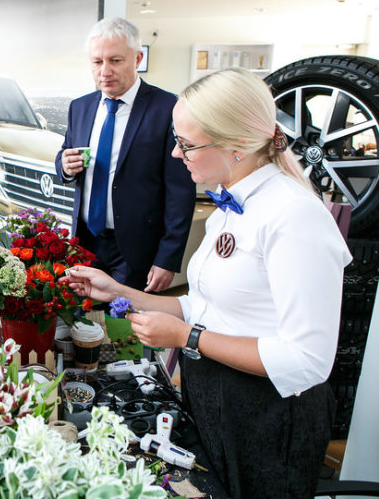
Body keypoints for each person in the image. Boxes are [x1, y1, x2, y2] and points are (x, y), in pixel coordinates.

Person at [65, 68, 351, 498]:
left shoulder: (294, 217)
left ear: (238, 145)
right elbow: (202, 307)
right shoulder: (232, 205)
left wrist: (186, 337)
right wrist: (120, 292)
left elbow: (306, 360)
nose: (176, 153)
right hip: (214, 396)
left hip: (267, 415)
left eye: (186, 144)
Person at [55, 17, 196, 293]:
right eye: (97, 62)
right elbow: (65, 153)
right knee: (82, 317)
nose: (104, 71)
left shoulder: (168, 107)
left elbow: (180, 192)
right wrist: (64, 165)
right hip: (85, 243)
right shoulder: (80, 107)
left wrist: (168, 258)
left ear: (138, 58)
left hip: (137, 250)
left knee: (125, 319)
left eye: (115, 60)